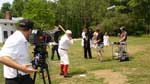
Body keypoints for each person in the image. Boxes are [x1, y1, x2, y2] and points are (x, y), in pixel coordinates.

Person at [0, 19, 37, 84]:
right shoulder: (17, 39)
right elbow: (2, 58)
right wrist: (21, 68)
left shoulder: (20, 38)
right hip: (16, 80)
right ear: (30, 30)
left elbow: (18, 56)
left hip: (22, 77)